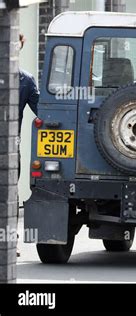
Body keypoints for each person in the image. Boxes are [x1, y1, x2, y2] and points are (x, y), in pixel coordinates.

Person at [17, 34, 39, 257]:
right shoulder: (24, 79)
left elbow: (43, 112)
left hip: (9, 149)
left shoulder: (25, 80)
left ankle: (7, 243)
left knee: (6, 194)